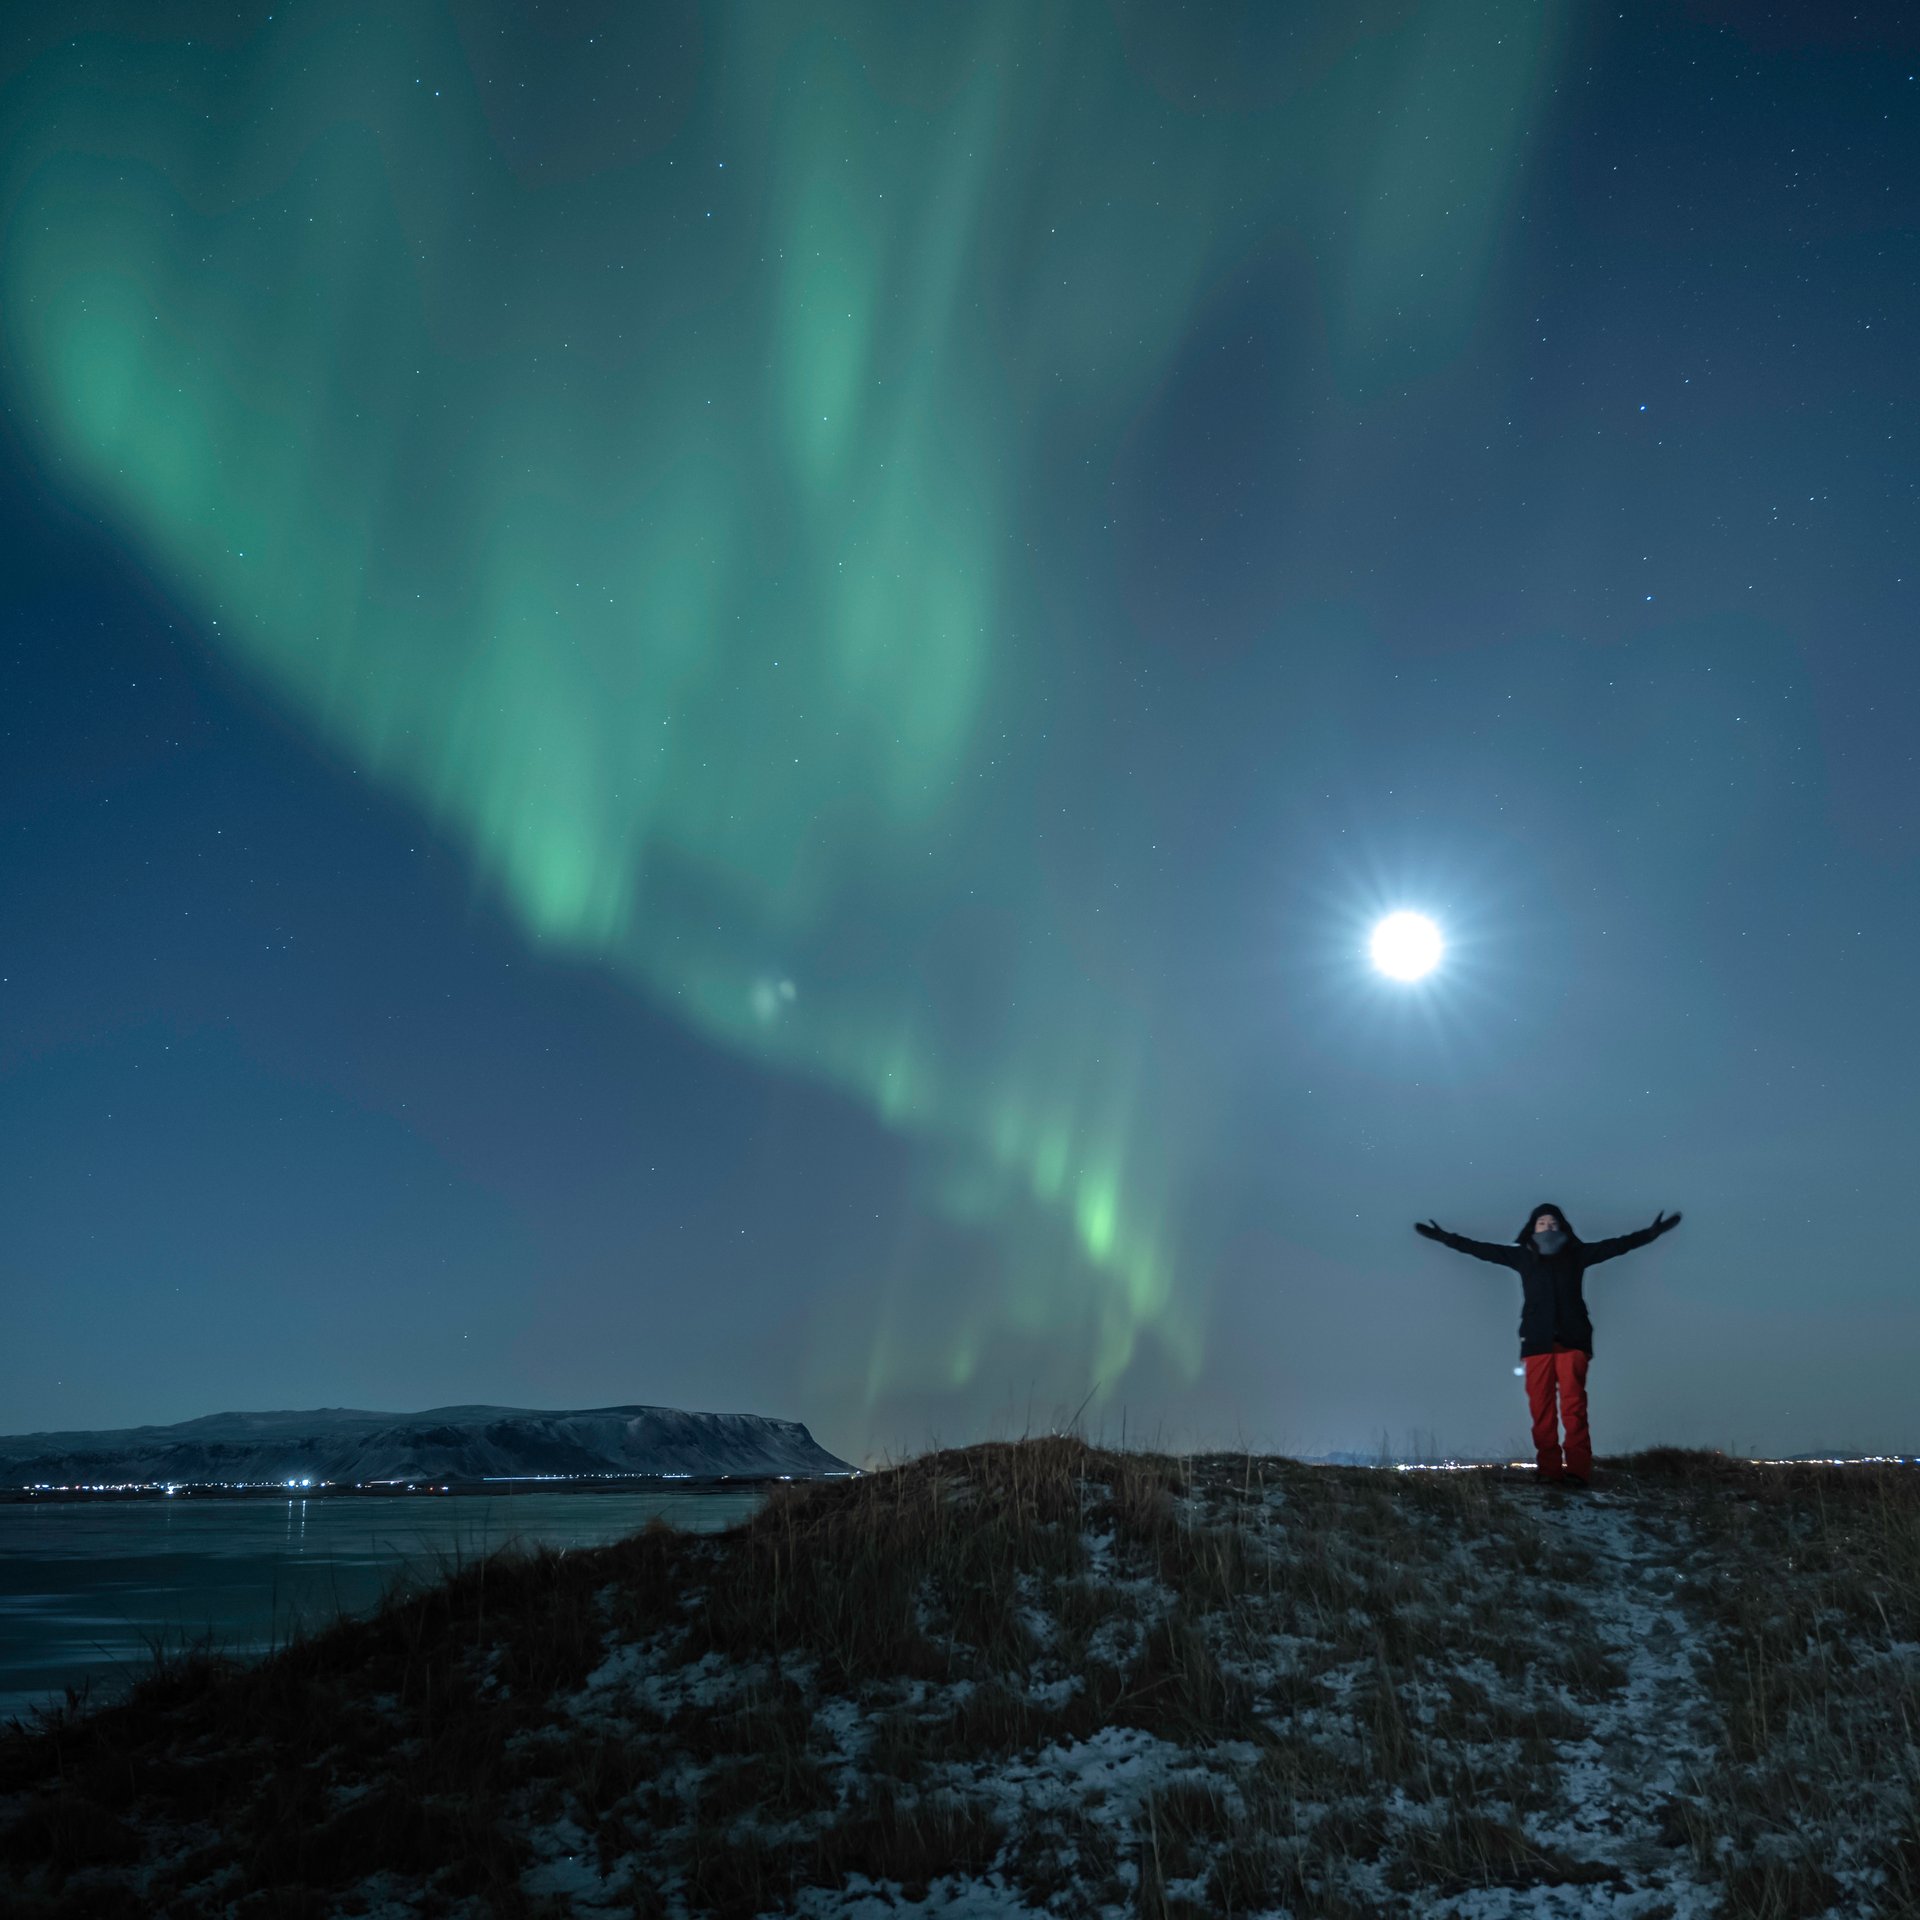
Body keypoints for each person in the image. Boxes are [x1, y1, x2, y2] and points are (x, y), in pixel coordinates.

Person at [1414, 1202, 1681, 1487]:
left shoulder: (1577, 1255)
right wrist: (1445, 1238)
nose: (1548, 1227)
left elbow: (1617, 1246)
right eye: (1542, 1223)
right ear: (1532, 1227)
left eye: (1553, 1223)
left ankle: (1578, 1471)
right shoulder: (1522, 1256)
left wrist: (1650, 1234)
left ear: (1563, 1226)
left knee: (1574, 1408)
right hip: (1536, 1341)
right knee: (1541, 1410)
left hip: (1573, 1339)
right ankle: (1549, 1470)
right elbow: (1479, 1249)